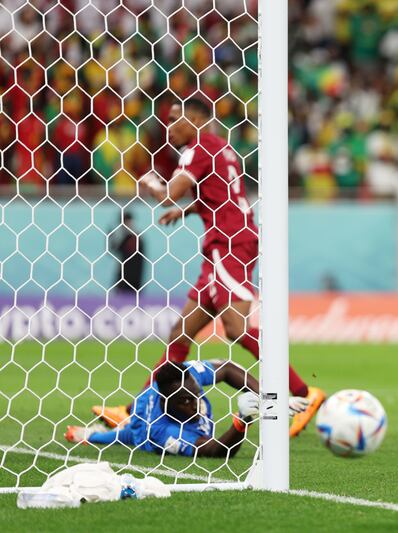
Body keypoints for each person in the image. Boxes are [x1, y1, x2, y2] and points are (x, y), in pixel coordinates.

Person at [94, 98, 324, 438]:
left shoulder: (195, 148)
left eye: (175, 119)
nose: (169, 127)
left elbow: (169, 194)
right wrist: (186, 212)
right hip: (226, 243)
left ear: (196, 118)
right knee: (180, 334)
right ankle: (133, 411)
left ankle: (304, 393)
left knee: (235, 327)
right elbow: (219, 194)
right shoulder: (220, 147)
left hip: (228, 245)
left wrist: (150, 181)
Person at [67, 360, 309, 458]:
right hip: (145, 429)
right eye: (184, 401)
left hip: (148, 401)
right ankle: (92, 434)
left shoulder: (187, 375)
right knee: (128, 435)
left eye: (194, 396)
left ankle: (121, 416)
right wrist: (243, 419)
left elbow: (226, 368)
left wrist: (268, 397)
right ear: (165, 401)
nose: (193, 404)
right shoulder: (162, 431)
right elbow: (215, 451)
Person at [108, 212, 145, 294]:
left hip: (135, 275)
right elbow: (114, 249)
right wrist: (110, 237)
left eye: (127, 221)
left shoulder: (136, 237)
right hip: (123, 275)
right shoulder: (124, 237)